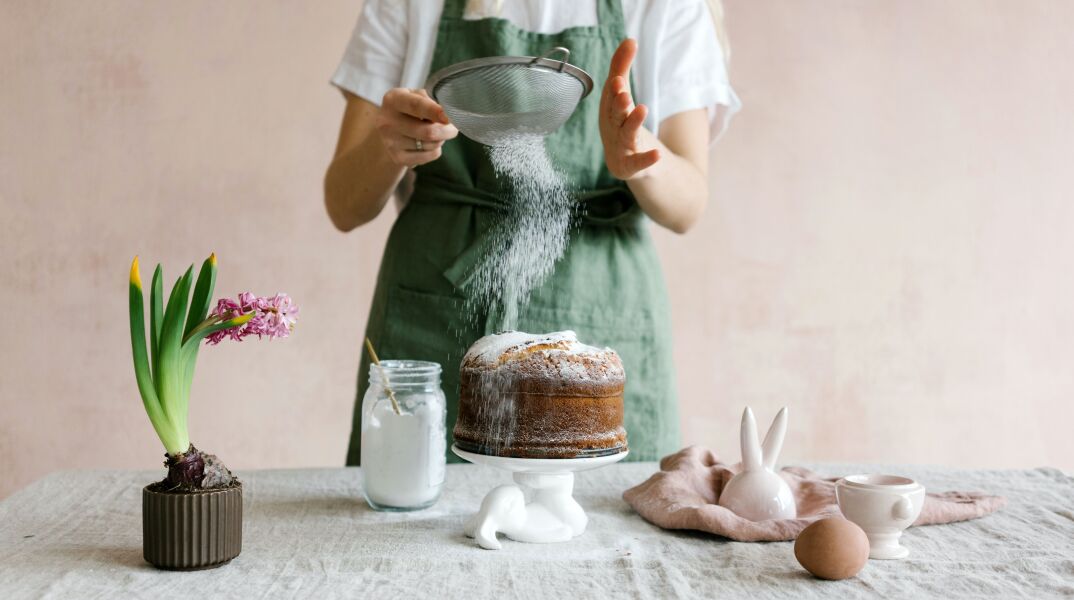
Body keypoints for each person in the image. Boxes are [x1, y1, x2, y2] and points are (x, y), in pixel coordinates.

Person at [325, 0, 740, 465]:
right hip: (434, 307)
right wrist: (390, 147)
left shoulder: (666, 7)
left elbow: (688, 206)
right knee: (409, 520)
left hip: (601, 300)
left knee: (610, 524)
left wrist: (638, 155)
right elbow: (344, 205)